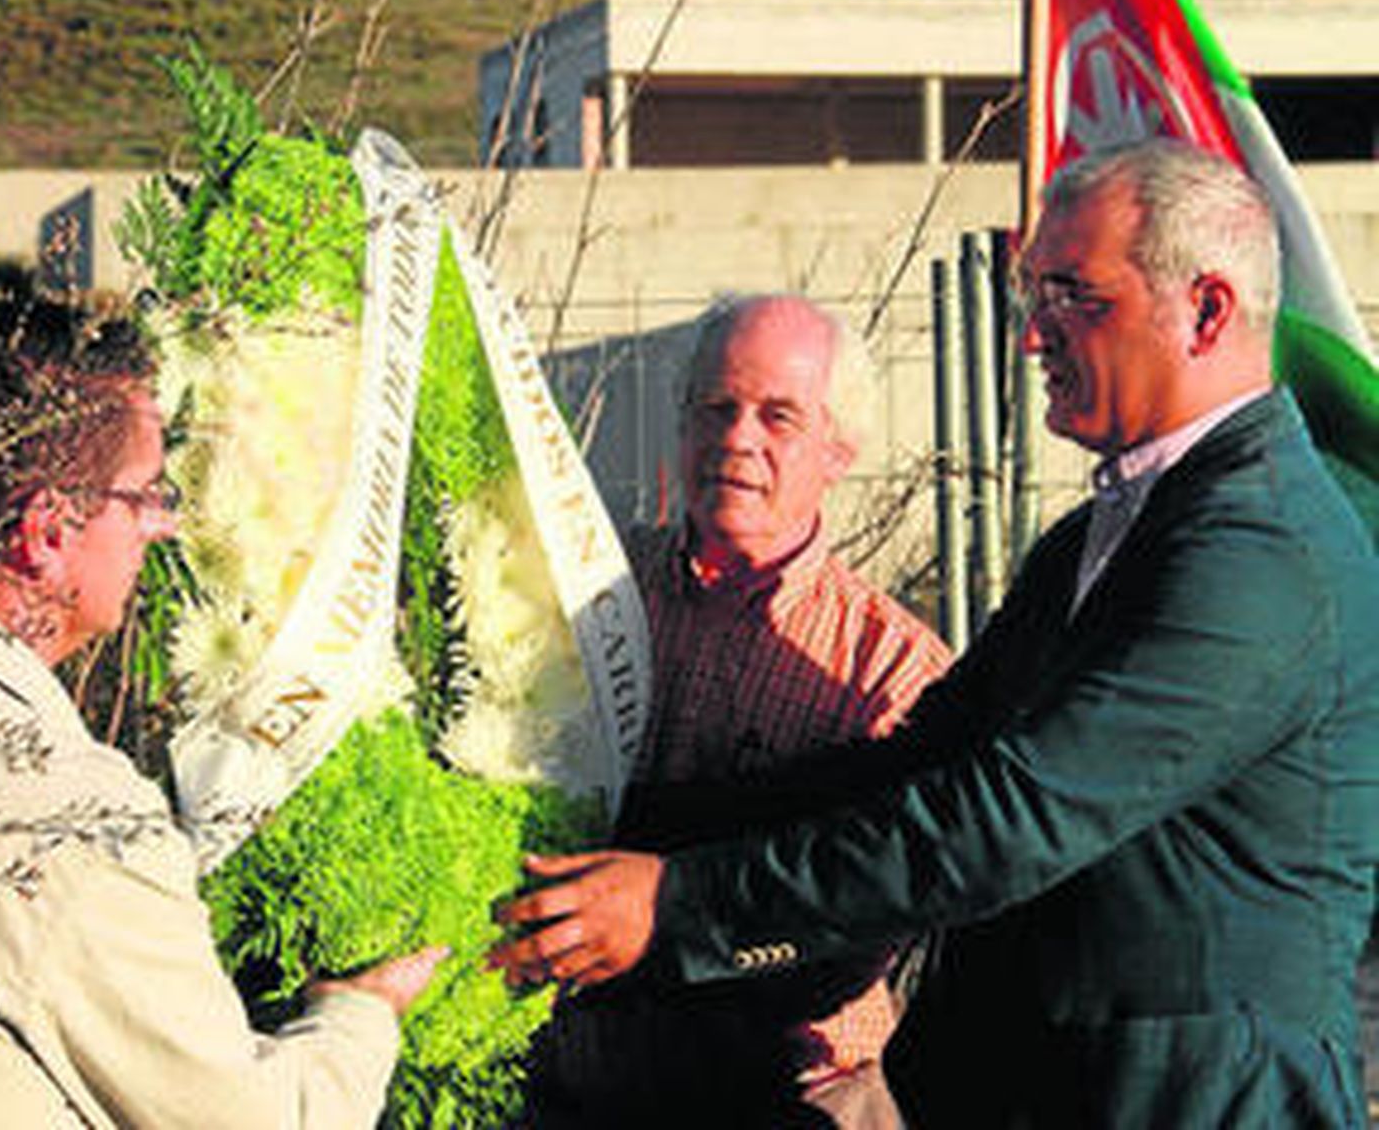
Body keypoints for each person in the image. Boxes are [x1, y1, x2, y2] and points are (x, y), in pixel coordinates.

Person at [491, 139, 1379, 1126]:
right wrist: (590, 839)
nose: (1032, 337)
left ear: (1204, 309)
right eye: (1030, 297)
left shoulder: (1258, 551)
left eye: (1070, 296)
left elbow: (1008, 817)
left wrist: (677, 906)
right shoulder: (1098, 534)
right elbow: (915, 762)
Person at [0, 292, 445, 1127]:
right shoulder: (68, 826)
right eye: (146, 493)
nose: (162, 525)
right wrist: (360, 1013)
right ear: (47, 532)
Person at [527, 294, 950, 1128]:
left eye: (778, 416)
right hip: (574, 1085)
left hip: (797, 1093)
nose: (736, 437)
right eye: (715, 408)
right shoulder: (586, 594)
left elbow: (855, 924)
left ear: (840, 449)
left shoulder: (892, 670)